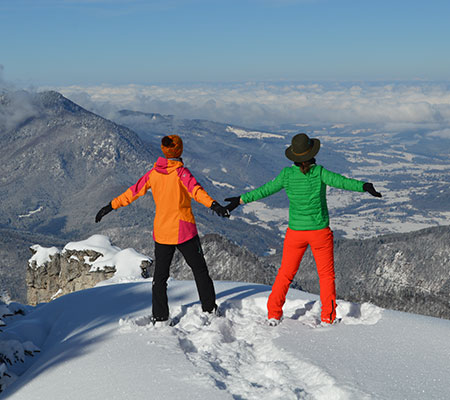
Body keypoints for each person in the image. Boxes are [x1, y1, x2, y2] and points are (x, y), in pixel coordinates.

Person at [225, 133, 382, 326]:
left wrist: (240, 200)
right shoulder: (319, 173)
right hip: (320, 233)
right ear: (311, 153)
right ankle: (327, 317)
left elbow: (264, 190)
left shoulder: (287, 175)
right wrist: (364, 186)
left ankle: (274, 313)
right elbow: (342, 181)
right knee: (326, 276)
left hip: (295, 233)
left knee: (285, 274)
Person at [95, 134, 229, 325]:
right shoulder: (182, 173)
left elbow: (133, 191)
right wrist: (214, 205)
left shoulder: (153, 174)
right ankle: (209, 309)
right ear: (180, 150)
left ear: (165, 151)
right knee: (200, 271)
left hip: (163, 232)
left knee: (160, 278)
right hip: (184, 231)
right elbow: (197, 192)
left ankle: (160, 316)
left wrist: (110, 206)